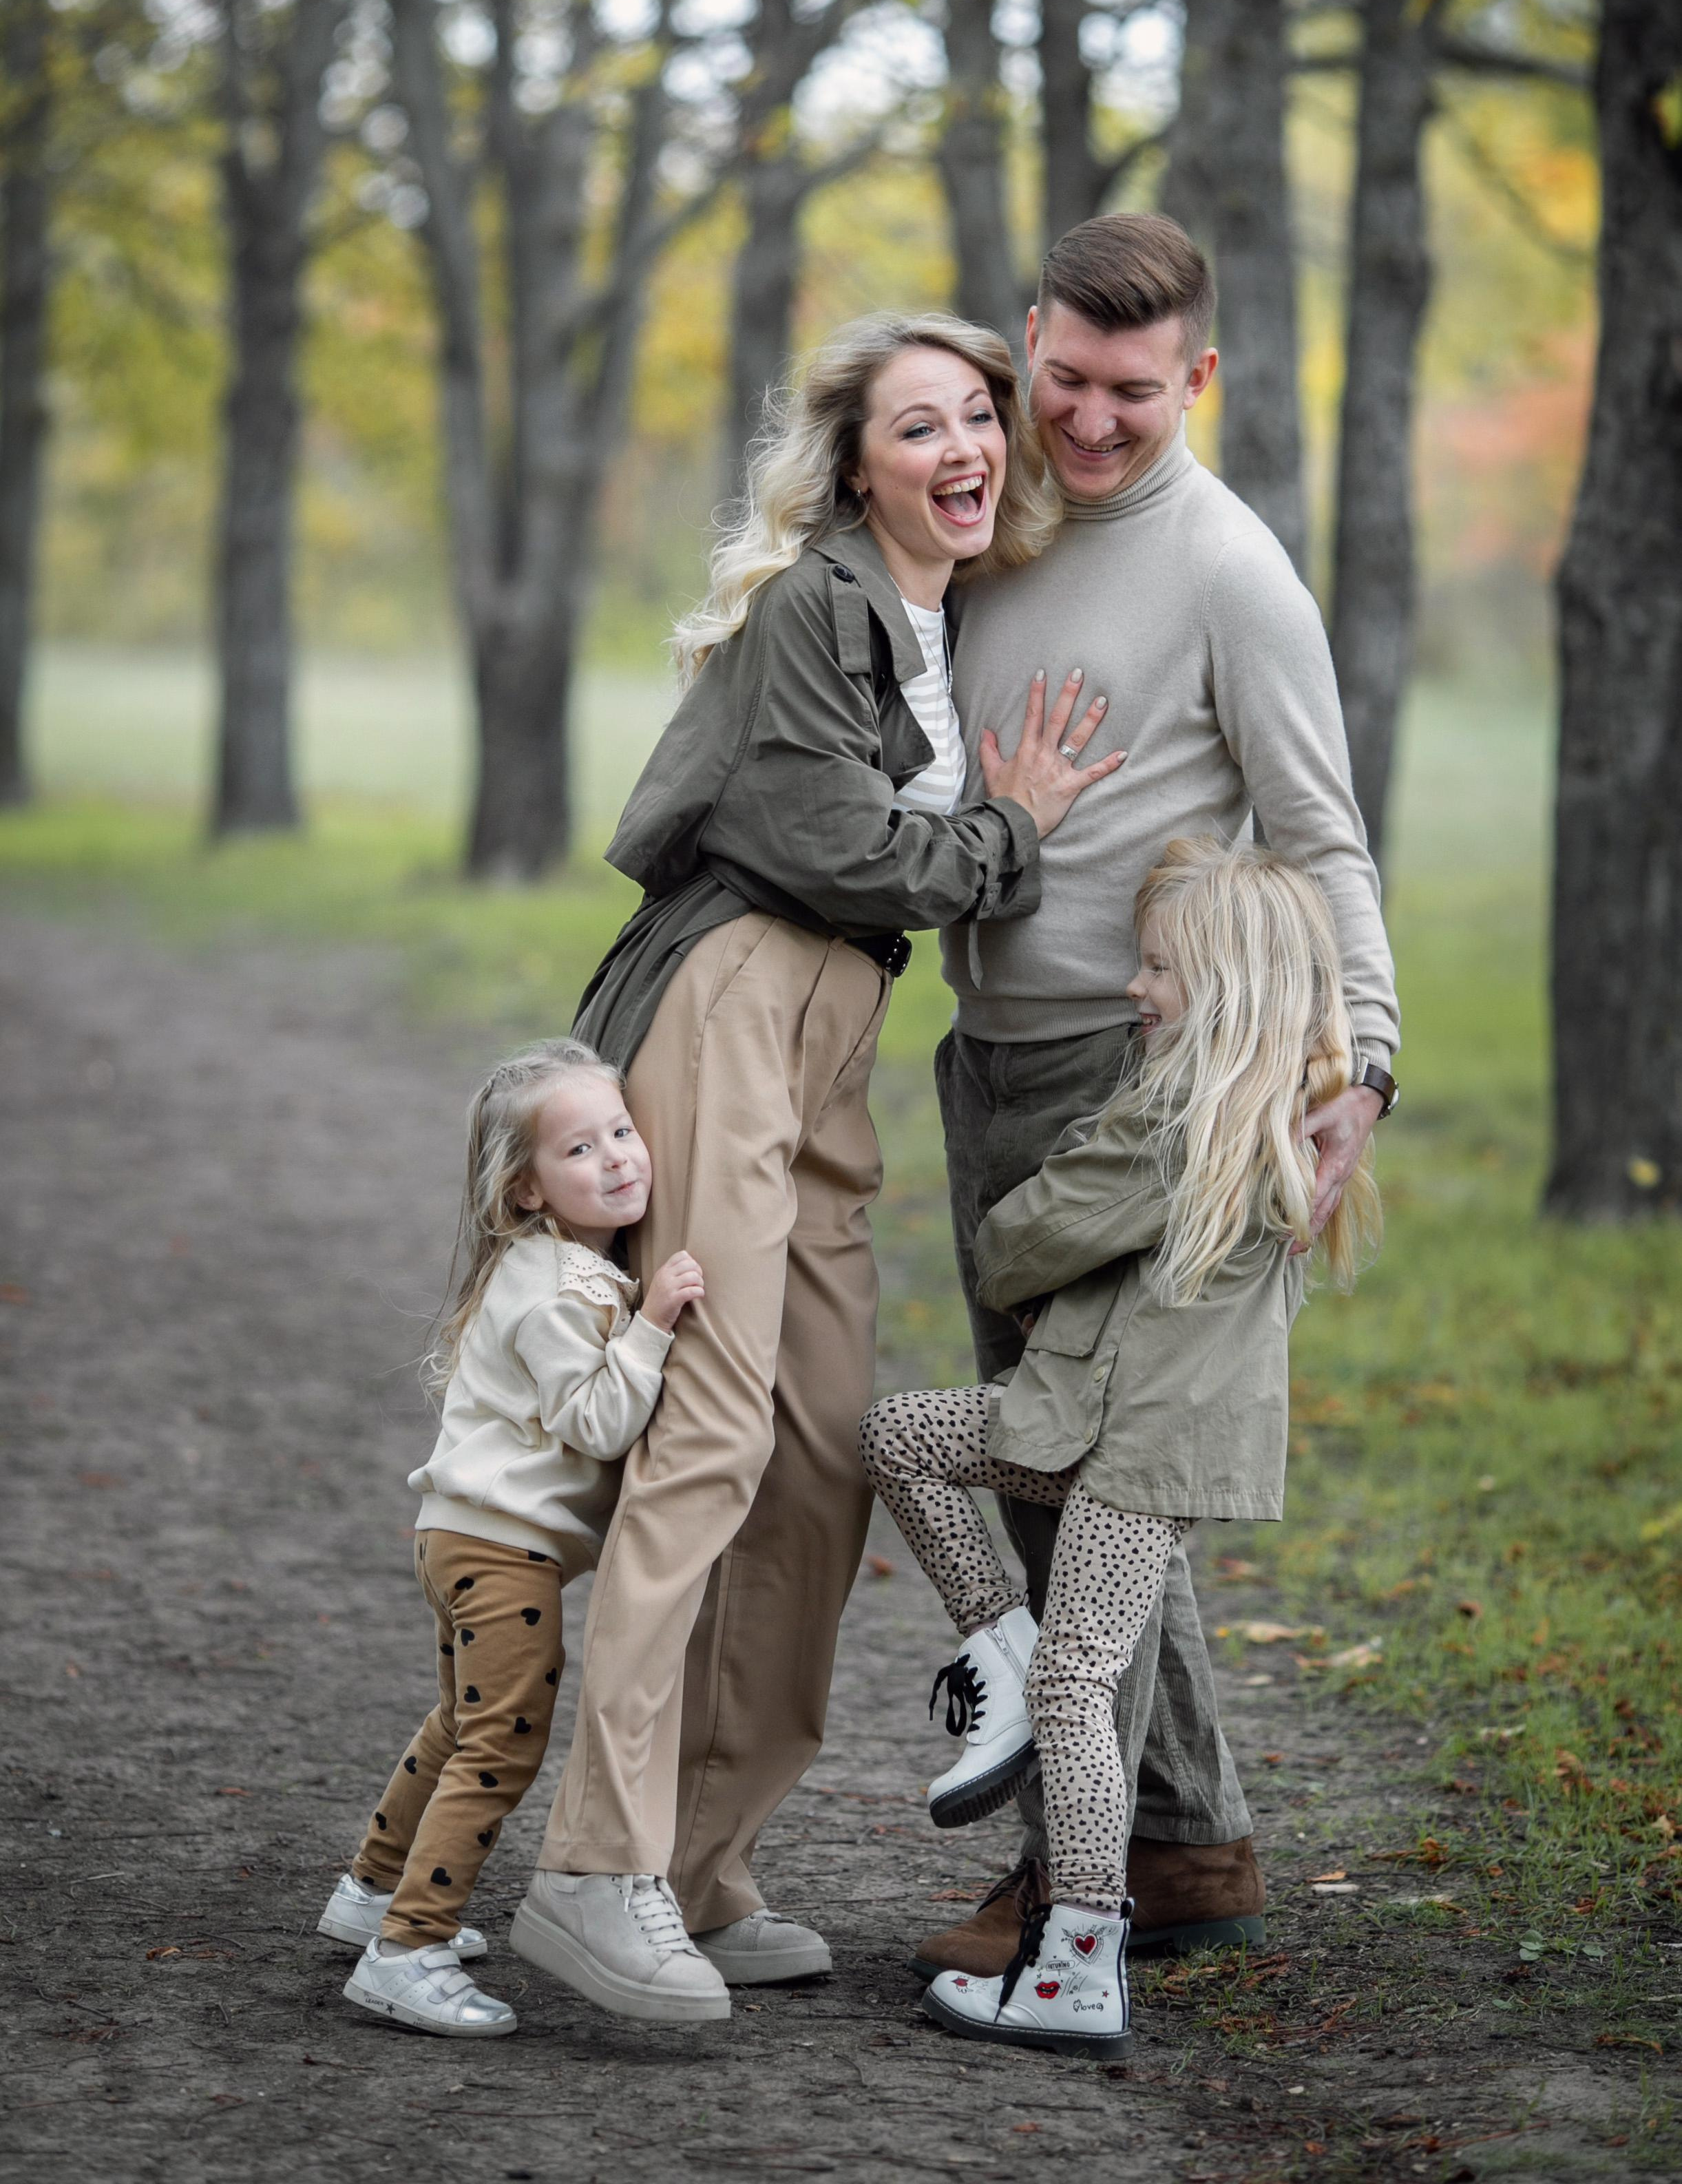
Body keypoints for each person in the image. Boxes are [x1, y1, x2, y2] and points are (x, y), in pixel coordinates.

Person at [509, 313, 1124, 2026]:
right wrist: (1012, 828)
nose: (966, 445)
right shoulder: (815, 605)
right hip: (733, 995)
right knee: (702, 1435)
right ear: (853, 461)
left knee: (818, 1453)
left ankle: (702, 1860)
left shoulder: (949, 620)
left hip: (837, 1023)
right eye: (918, 421)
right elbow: (831, 841)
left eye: (979, 417)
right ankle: (591, 1870)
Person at [918, 212, 1401, 1980]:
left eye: (1134, 389)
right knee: (1102, 1479)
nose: (1093, 420)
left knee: (1062, 1475)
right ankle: (1190, 1844)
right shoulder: (999, 512)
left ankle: (1066, 1886)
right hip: (993, 1055)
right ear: (1024, 343)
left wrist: (1366, 1050)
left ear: (1196, 375)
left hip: (1139, 1082)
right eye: (1064, 379)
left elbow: (1322, 832)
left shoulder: (1229, 569)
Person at [861, 839, 1381, 2059]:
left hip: (1139, 1458)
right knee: (900, 1436)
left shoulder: (1183, 1119)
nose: (1134, 988)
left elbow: (1016, 1242)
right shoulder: (1261, 1120)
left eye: (1157, 969)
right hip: (1091, 1426)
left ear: (1228, 987)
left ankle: (1081, 1956)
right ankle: (995, 1643)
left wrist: (1046, 1260)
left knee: (1077, 1688)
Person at [321, 1037, 703, 2038]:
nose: (619, 1157)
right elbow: (599, 1423)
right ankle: (408, 1945)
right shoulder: (562, 1293)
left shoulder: (553, 1270)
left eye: (623, 1131)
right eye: (580, 1150)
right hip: (502, 1556)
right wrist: (655, 1324)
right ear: (526, 1191)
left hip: (460, 1536)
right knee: (502, 1746)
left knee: (458, 1725)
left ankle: (371, 1889)